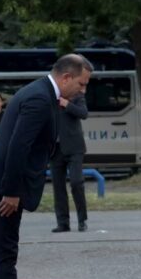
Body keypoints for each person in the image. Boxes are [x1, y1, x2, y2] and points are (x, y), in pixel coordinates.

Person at [0, 54, 92, 279]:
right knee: (3, 254)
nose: (83, 91)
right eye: (81, 83)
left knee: (4, 252)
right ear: (66, 77)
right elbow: (17, 147)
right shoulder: (40, 98)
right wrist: (11, 191)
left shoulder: (38, 91)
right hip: (1, 184)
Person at [50, 90, 89, 233]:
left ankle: (82, 220)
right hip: (55, 150)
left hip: (74, 147)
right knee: (58, 188)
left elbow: (84, 114)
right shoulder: (50, 98)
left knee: (76, 182)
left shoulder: (77, 96)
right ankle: (63, 223)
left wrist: (67, 105)